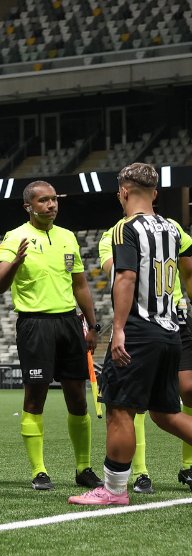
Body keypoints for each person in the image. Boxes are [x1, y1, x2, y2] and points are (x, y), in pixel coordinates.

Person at [71, 163, 192, 505]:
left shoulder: (125, 229)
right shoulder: (172, 229)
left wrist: (119, 330)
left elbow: (125, 278)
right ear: (154, 193)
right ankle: (115, 488)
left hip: (140, 330)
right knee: (165, 414)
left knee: (120, 409)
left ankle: (112, 491)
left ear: (123, 192)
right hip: (171, 330)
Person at [0, 180, 101, 491]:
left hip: (69, 324)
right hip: (35, 325)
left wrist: (93, 325)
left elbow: (80, 285)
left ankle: (83, 468)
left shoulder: (67, 238)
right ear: (28, 206)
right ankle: (39, 471)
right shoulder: (15, 237)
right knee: (35, 397)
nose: (50, 205)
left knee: (78, 399)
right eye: (43, 201)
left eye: (53, 199)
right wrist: (16, 262)